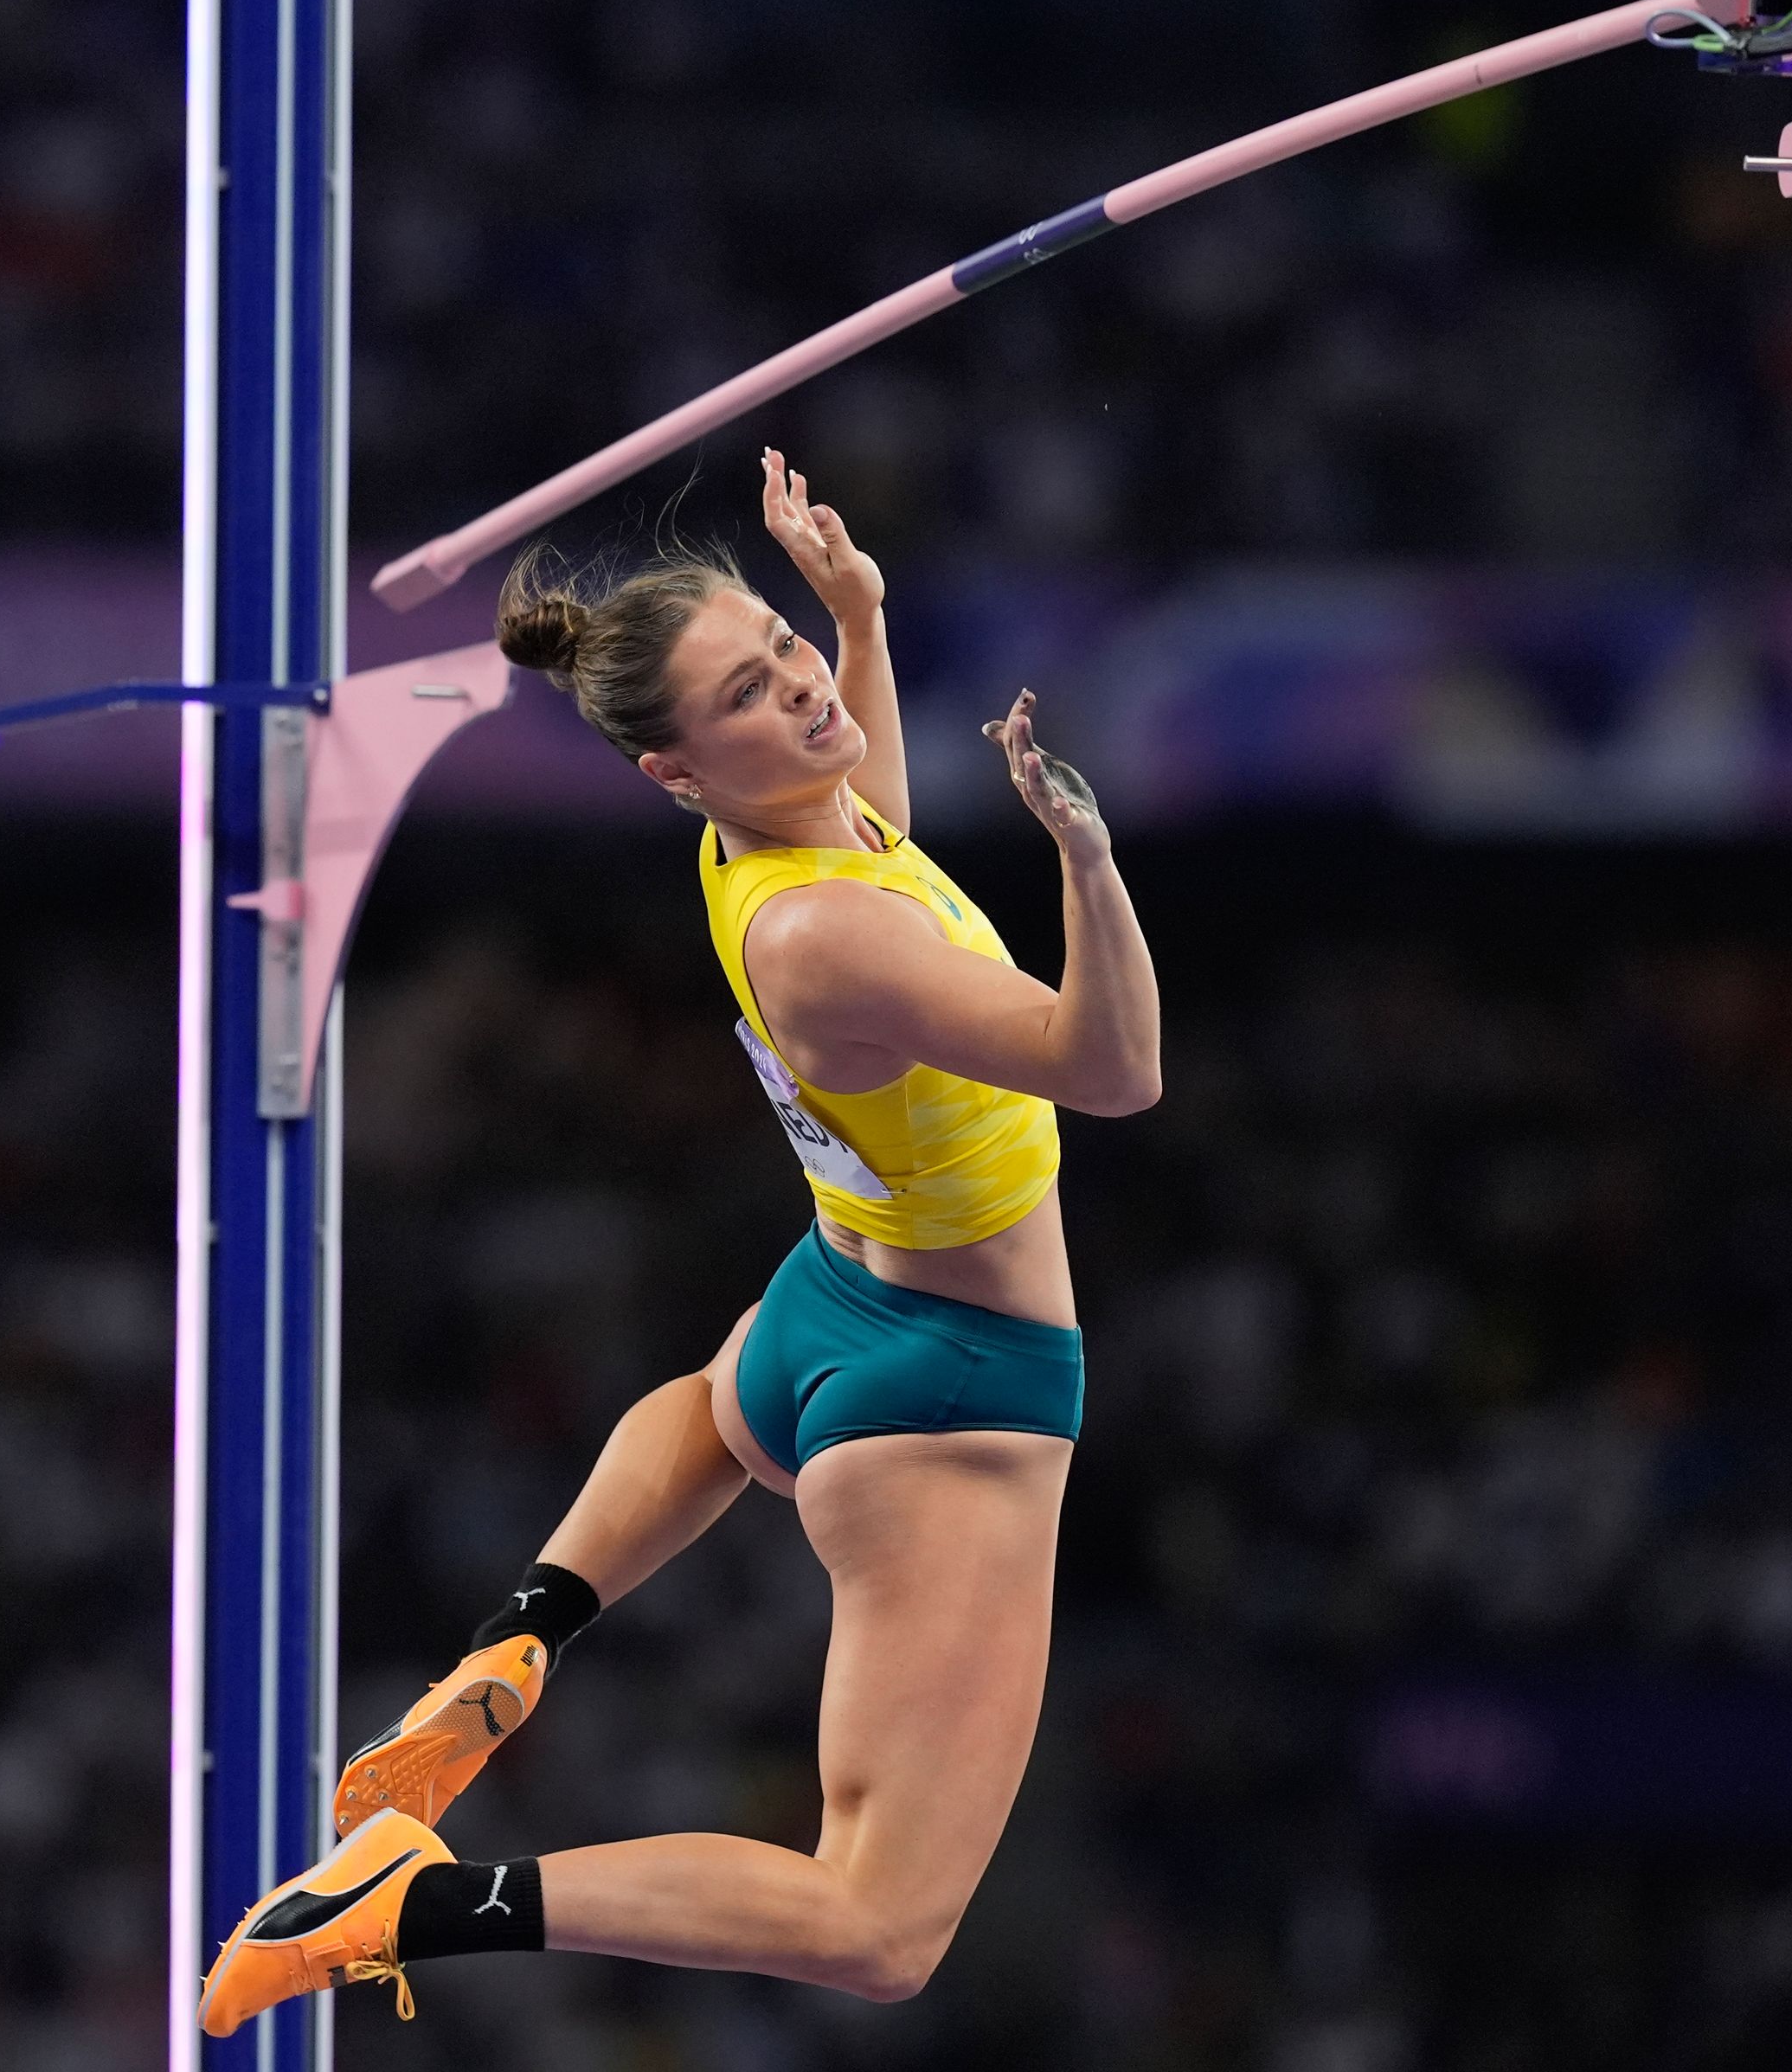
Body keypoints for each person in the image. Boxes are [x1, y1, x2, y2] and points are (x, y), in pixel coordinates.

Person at [199, 448, 1160, 2034]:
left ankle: (524, 1638)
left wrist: (855, 618)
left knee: (724, 1418)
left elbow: (887, 839)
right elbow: (1114, 1072)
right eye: (753, 693)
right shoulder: (821, 931)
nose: (798, 696)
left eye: (782, 650)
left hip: (832, 1314)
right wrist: (1091, 867)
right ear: (678, 771)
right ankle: (413, 1904)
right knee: (877, 1922)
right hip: (947, 1398)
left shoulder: (768, 847)